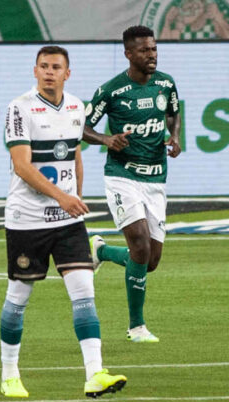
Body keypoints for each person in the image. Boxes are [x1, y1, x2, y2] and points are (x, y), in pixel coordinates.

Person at [0, 46, 127, 398]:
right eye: (44, 66)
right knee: (18, 297)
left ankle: (95, 374)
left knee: (85, 292)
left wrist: (76, 198)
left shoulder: (75, 107)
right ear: (35, 70)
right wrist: (62, 197)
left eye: (56, 67)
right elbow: (23, 166)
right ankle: (9, 374)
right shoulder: (19, 108)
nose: (49, 72)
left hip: (67, 222)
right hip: (27, 220)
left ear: (67, 73)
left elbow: (74, 154)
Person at [84, 25, 181, 343]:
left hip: (156, 179)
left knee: (149, 261)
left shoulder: (166, 83)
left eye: (153, 49)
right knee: (139, 243)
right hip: (122, 176)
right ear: (128, 54)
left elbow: (172, 113)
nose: (151, 54)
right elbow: (81, 125)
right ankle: (136, 326)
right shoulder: (112, 91)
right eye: (144, 50)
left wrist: (174, 136)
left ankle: (102, 250)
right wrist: (106, 139)